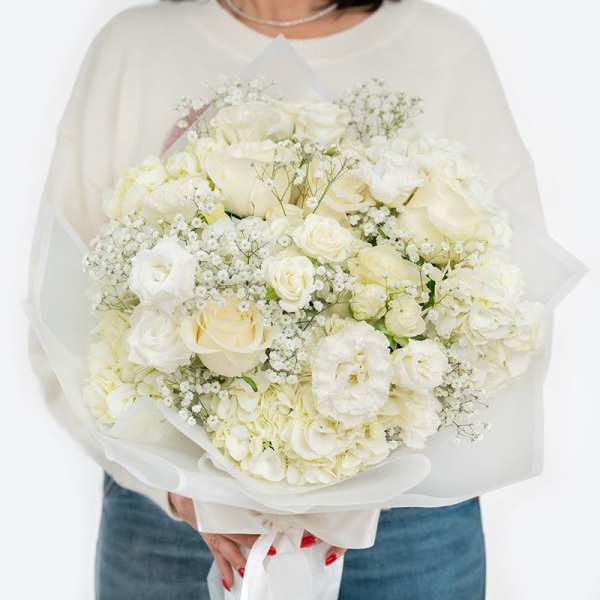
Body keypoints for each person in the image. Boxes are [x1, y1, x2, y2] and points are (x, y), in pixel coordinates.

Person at [30, 0, 547, 598]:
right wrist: (177, 489)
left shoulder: (442, 48)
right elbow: (65, 294)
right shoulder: (134, 47)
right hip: (172, 516)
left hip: (409, 521)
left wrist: (366, 463)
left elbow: (513, 296)